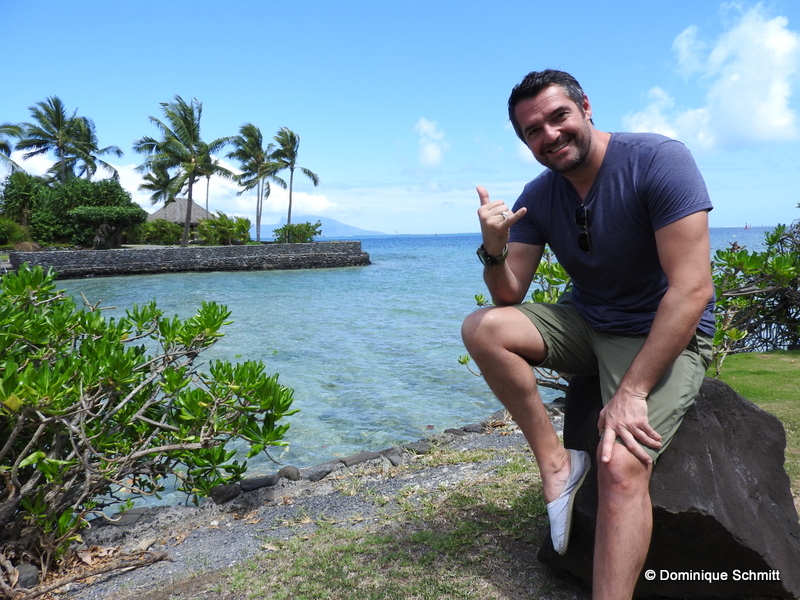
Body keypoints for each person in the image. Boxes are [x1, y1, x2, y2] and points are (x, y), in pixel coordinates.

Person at [461, 69, 715, 600]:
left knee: (620, 465)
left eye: (559, 117)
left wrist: (631, 392)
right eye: (534, 130)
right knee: (481, 329)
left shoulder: (658, 160)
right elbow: (508, 296)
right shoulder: (540, 193)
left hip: (660, 330)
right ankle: (556, 463)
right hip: (588, 321)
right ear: (524, 141)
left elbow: (691, 290)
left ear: (586, 107)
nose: (550, 135)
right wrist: (493, 247)